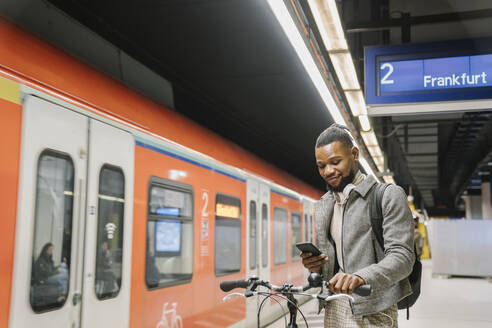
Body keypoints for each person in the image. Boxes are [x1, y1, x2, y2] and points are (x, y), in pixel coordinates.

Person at [301, 124, 415, 327]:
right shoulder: (325, 204)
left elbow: (402, 257)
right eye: (321, 166)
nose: (328, 171)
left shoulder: (387, 196)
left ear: (354, 154)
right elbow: (335, 262)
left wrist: (360, 277)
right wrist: (317, 267)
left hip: (375, 308)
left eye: (336, 162)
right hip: (335, 305)